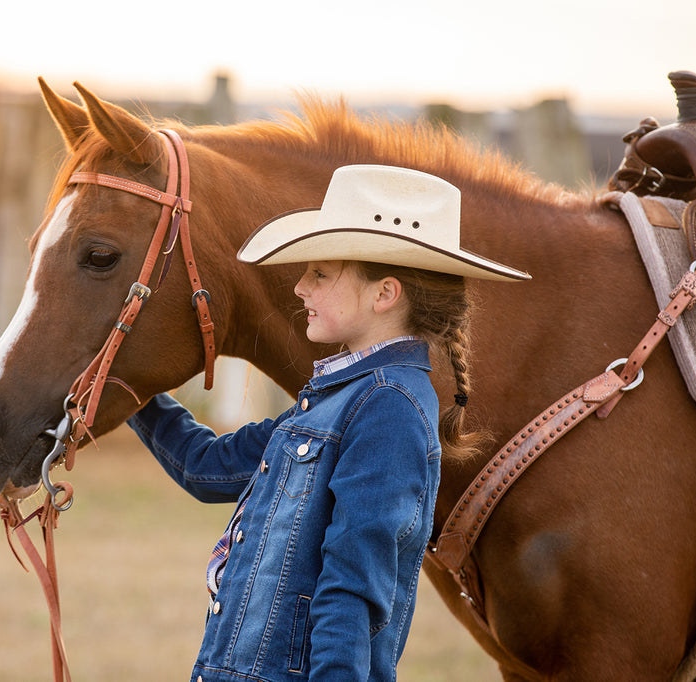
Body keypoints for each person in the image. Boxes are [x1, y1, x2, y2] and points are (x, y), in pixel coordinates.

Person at [126, 165, 529, 681]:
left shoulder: (388, 408)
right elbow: (204, 467)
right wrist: (124, 383)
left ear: (384, 294)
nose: (298, 288)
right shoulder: (334, 401)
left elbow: (352, 589)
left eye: (319, 274)